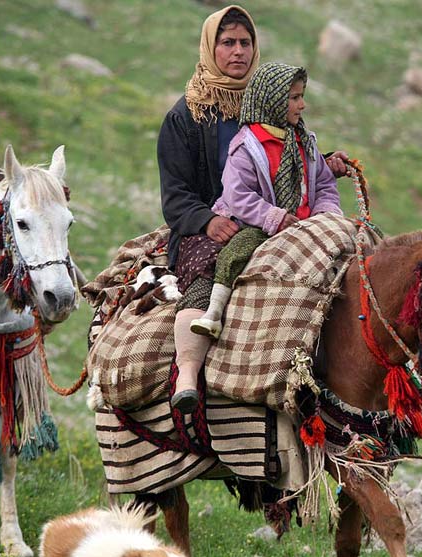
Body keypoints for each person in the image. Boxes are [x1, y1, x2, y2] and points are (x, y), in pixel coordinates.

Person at [157, 6, 348, 413]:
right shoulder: (185, 116)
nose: (238, 51)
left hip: (275, 221)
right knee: (211, 270)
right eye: (227, 43)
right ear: (211, 47)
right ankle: (187, 371)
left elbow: (284, 163)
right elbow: (175, 196)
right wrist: (208, 220)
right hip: (208, 226)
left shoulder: (275, 101)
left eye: (246, 42)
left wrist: (324, 166)